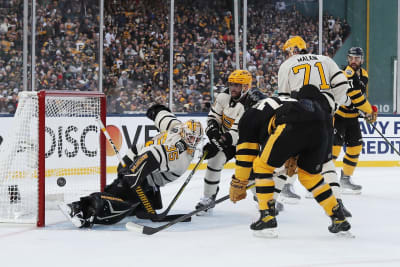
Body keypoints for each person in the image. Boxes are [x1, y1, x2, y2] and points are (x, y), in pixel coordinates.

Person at [230, 85, 351, 237]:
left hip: (291, 123)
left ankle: (267, 216)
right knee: (310, 176)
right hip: (320, 124)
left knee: (262, 167)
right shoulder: (282, 101)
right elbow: (300, 125)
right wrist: (292, 154)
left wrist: (239, 181)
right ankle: (338, 218)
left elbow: (246, 154)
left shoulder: (250, 115)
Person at [58, 104, 203, 228]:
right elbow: (153, 153)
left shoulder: (178, 134)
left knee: (142, 203)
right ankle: (80, 209)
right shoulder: (178, 149)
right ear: (184, 132)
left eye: (196, 139)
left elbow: (164, 123)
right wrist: (134, 172)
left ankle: (134, 203)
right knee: (122, 203)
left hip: (143, 171)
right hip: (136, 166)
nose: (193, 142)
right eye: (190, 137)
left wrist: (157, 111)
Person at [276, 35, 351, 216]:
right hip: (323, 117)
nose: (287, 55)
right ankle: (337, 203)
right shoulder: (325, 60)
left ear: (292, 50)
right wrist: (333, 106)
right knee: (326, 162)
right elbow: (342, 86)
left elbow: (284, 99)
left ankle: (269, 202)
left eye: (288, 51)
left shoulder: (287, 65)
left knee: (283, 160)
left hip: (298, 117)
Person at [195, 69, 279, 214]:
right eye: (231, 84)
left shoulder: (251, 104)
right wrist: (213, 132)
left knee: (251, 173)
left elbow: (236, 132)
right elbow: (212, 117)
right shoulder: (223, 97)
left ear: (246, 87)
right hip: (226, 141)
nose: (233, 88)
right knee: (214, 161)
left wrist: (217, 142)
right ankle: (209, 198)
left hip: (246, 143)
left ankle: (263, 200)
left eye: (237, 85)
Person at [332, 47, 378, 194]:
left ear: (362, 60)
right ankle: (322, 181)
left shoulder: (364, 74)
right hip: (338, 116)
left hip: (352, 118)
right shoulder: (345, 73)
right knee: (333, 150)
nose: (353, 61)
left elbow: (360, 96)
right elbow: (355, 96)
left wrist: (364, 110)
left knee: (355, 147)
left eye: (357, 58)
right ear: (347, 58)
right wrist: (368, 110)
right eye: (351, 58)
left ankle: (345, 179)